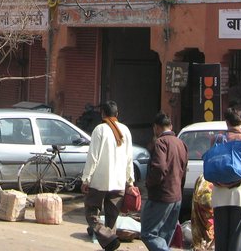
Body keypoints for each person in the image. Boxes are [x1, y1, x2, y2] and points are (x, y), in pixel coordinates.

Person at [81, 100, 135, 251]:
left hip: (100, 181)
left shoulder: (100, 130)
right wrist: (130, 180)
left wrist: (86, 179)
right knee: (112, 219)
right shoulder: (125, 131)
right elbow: (129, 158)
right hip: (118, 182)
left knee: (91, 214)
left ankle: (109, 238)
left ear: (102, 114)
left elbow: (93, 157)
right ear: (117, 114)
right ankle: (110, 241)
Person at [210, 107, 241, 251]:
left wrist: (222, 182)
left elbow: (211, 166)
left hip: (219, 192)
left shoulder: (216, 139)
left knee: (221, 234)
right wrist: (235, 180)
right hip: (239, 193)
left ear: (226, 122)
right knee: (237, 235)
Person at [140, 112, 189, 251]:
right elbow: (184, 170)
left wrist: (149, 183)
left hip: (161, 196)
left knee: (148, 233)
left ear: (156, 127)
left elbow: (159, 168)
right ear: (171, 126)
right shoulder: (181, 143)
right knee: (164, 235)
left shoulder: (160, 143)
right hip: (176, 196)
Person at [191, 175, 215, 251]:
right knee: (209, 236)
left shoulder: (203, 177)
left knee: (201, 233)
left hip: (205, 185)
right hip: (210, 190)